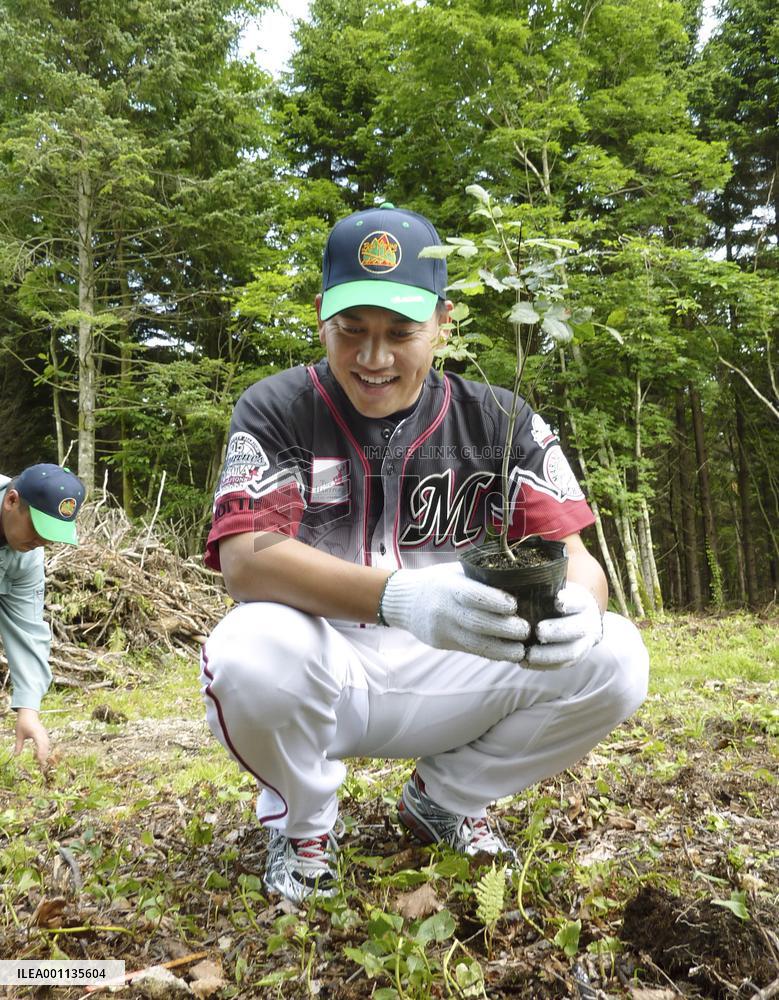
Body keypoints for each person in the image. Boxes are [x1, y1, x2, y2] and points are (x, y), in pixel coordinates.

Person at [201, 203, 649, 903]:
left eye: (400, 332)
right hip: (322, 661)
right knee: (247, 649)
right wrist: (400, 597)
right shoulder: (277, 408)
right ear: (320, 315)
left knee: (615, 654)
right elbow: (246, 560)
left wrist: (581, 607)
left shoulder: (498, 420)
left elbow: (575, 555)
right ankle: (304, 826)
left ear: (442, 323)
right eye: (351, 331)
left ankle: (443, 799)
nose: (372, 358)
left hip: (459, 662)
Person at [1, 463, 86, 766]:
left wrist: (28, 709)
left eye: (52, 534)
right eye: (38, 529)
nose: (43, 542)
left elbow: (28, 629)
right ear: (12, 501)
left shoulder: (27, 559)